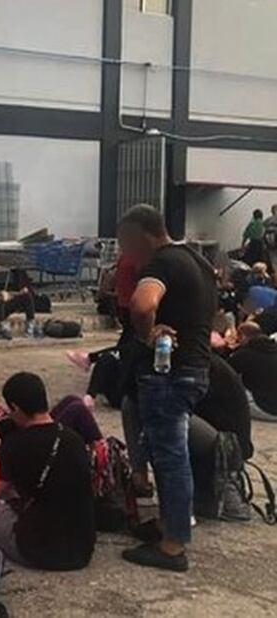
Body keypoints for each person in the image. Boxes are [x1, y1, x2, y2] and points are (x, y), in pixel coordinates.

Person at [117, 204, 217, 572]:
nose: (125, 252)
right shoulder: (197, 261)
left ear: (140, 235)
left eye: (125, 243)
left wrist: (147, 334)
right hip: (195, 368)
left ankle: (173, 545)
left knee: (170, 457)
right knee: (168, 454)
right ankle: (165, 525)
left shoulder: (162, 263)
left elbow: (143, 305)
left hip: (168, 373)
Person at [0, 373, 95, 571]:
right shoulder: (74, 439)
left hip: (38, 550)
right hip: (82, 548)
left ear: (16, 408)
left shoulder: (15, 446)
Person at [228, 322, 277, 421]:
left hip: (263, 407)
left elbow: (225, 373)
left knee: (232, 387)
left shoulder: (244, 354)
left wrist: (229, 350)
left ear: (243, 336)